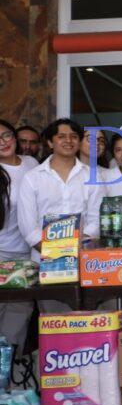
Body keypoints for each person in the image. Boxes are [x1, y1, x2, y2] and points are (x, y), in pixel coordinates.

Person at [17, 119, 103, 314]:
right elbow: (27, 226)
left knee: (87, 320)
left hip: (84, 261)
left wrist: (75, 249)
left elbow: (96, 219)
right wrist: (55, 254)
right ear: (49, 143)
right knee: (54, 322)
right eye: (61, 136)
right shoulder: (33, 177)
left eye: (74, 137)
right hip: (46, 264)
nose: (68, 141)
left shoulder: (92, 175)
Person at [0, 119, 38, 351]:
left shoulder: (31, 163)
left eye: (5, 135)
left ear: (14, 136)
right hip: (1, 252)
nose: (2, 142)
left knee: (19, 316)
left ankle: (10, 378)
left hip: (26, 253)